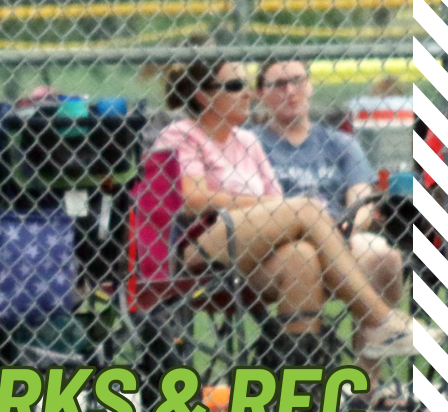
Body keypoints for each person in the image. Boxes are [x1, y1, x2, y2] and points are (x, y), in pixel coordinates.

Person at [151, 59, 427, 365]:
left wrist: (271, 207)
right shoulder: (182, 134)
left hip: (253, 255)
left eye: (246, 85)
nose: (247, 94)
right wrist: (263, 205)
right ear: (204, 96)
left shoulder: (246, 141)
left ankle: (298, 380)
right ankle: (379, 320)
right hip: (200, 247)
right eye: (235, 86)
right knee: (305, 208)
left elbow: (277, 203)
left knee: (302, 256)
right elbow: (192, 198)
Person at [253, 59, 408, 405]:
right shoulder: (252, 144)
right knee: (302, 253)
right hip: (278, 247)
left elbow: (362, 201)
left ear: (310, 85)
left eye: (297, 80)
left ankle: (363, 385)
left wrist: (350, 224)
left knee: (385, 257)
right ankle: (305, 387)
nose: (290, 91)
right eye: (278, 84)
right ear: (261, 94)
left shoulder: (340, 143)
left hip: (339, 238)